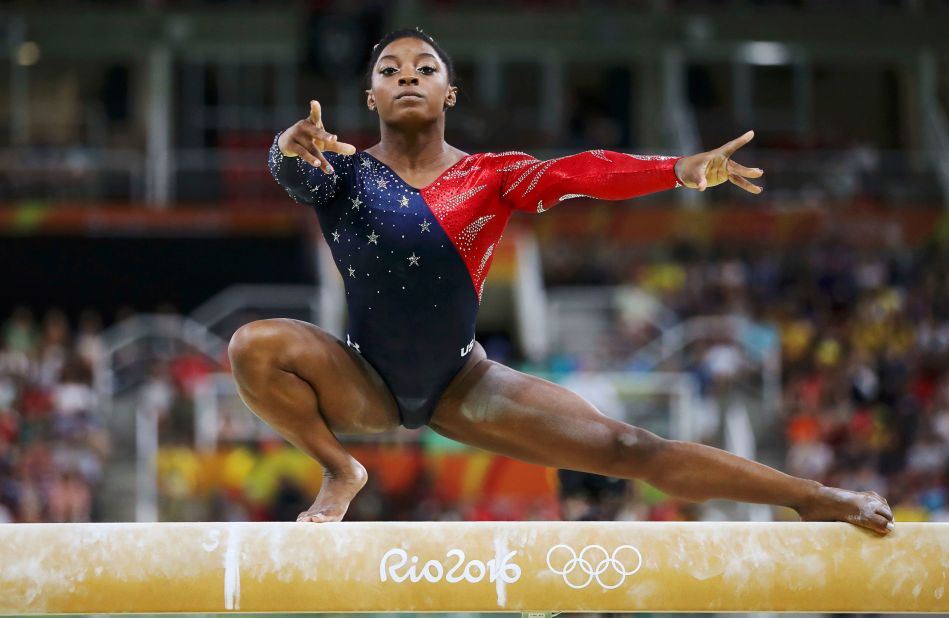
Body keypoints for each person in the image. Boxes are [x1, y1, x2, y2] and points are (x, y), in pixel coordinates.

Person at [230, 27, 895, 533]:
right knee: (253, 345)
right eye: (390, 70)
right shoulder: (341, 173)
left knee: (630, 447)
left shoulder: (489, 175)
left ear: (448, 93)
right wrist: (286, 147)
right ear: (369, 94)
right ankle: (340, 468)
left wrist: (675, 170)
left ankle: (813, 499)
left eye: (424, 69)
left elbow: (580, 172)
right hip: (360, 379)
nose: (408, 77)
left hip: (463, 384)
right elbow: (296, 176)